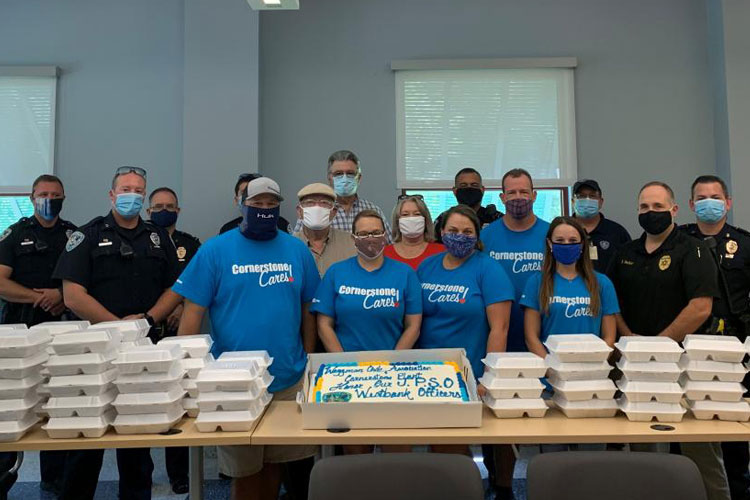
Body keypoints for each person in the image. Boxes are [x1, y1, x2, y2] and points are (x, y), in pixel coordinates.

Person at [174, 177, 319, 500]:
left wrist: (308, 358)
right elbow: (192, 314)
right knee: (244, 473)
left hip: (287, 377)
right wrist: (186, 375)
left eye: (271, 204)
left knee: (276, 464)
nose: (264, 209)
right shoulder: (215, 250)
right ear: (242, 205)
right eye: (256, 204)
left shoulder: (297, 249)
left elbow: (308, 308)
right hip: (233, 383)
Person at [53, 166, 182, 500]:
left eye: (138, 190)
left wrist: (146, 321)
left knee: (137, 440)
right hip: (94, 351)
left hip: (143, 348)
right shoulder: (87, 235)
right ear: (112, 195)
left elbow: (175, 287)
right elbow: (73, 295)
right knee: (85, 442)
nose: (132, 196)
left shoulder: (158, 237)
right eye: (125, 189)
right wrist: (118, 326)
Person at [608, 181, 729, 500]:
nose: (651, 212)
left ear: (674, 210)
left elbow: (701, 307)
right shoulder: (626, 253)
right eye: (645, 207)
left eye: (658, 207)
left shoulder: (694, 249)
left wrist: (659, 345)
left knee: (700, 449)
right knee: (644, 449)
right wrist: (630, 338)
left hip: (685, 365)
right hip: (636, 365)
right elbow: (611, 304)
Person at [312, 209, 422, 455]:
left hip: (395, 375)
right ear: (353, 238)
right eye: (363, 234)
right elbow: (323, 324)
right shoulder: (336, 273)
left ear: (385, 236)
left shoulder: (405, 274)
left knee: (397, 451)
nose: (370, 238)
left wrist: (392, 362)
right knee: (356, 454)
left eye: (375, 232)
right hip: (348, 375)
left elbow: (413, 325)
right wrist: (343, 364)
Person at [0, 174, 75, 495]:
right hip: (20, 330)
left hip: (61, 329)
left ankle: (54, 480)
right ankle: (4, 475)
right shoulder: (15, 234)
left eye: (55, 195)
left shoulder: (74, 235)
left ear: (63, 198)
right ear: (32, 198)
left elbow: (84, 282)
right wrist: (37, 297)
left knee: (58, 401)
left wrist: (61, 296)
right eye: (43, 194)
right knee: (10, 405)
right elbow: (1, 282)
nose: (49, 200)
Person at [417, 205, 513, 456]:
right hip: (429, 372)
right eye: (453, 230)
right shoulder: (427, 267)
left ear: (477, 235)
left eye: (467, 231)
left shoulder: (489, 269)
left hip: (470, 373)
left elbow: (500, 328)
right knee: (439, 443)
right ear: (441, 232)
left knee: (459, 443)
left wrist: (489, 377)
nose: (460, 236)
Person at [478, 167, 548, 499]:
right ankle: (501, 484)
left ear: (534, 195)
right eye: (512, 192)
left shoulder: (550, 234)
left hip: (540, 339)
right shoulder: (487, 236)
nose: (518, 197)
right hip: (496, 338)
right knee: (498, 418)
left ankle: (548, 483)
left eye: (524, 191)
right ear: (501, 196)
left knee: (543, 419)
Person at [679, 175, 750, 500]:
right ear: (691, 204)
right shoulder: (679, 241)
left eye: (716, 197)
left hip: (733, 351)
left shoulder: (744, 243)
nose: (709, 203)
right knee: (686, 429)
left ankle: (737, 491)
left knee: (733, 434)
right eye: (701, 198)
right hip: (688, 347)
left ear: (728, 203)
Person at [145, 186, 200, 495]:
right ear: (148, 211)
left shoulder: (190, 244)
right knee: (141, 401)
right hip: (146, 331)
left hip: (182, 330)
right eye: (158, 206)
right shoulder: (140, 240)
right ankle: (141, 475)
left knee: (178, 401)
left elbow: (201, 282)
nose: (163, 211)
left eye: (169, 206)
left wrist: (181, 309)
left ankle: (179, 473)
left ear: (178, 211)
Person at [522, 216, 618, 356]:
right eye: (560, 240)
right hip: (550, 367)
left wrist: (596, 362)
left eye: (573, 241)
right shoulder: (536, 282)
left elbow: (609, 338)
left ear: (582, 244)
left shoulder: (602, 283)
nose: (566, 245)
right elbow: (531, 338)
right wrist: (551, 366)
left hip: (593, 366)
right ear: (550, 244)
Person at [292, 150, 392, 241]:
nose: (344, 179)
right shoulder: (316, 210)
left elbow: (388, 245)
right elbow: (297, 244)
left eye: (350, 173)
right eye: (338, 174)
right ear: (329, 178)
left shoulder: (373, 210)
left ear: (359, 178)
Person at [292, 182, 356, 277]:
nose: (317, 208)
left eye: (324, 203)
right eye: (310, 202)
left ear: (334, 212)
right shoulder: (289, 245)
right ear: (299, 211)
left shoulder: (351, 243)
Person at [571, 179, 631, 273]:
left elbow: (628, 267)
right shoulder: (563, 232)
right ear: (573, 201)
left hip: (608, 283)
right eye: (581, 196)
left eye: (592, 196)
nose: (587, 200)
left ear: (601, 202)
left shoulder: (617, 232)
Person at [433, 167, 503, 242]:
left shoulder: (496, 219)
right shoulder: (443, 219)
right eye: (463, 186)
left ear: (482, 190)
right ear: (455, 191)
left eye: (474, 185)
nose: (469, 188)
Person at [384, 194, 444, 269]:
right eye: (405, 214)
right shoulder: (384, 254)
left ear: (426, 220)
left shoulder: (442, 252)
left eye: (417, 214)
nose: (411, 218)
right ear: (397, 221)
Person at [220, 173, 291, 234]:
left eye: (270, 203)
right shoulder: (228, 229)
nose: (264, 207)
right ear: (236, 200)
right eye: (244, 193)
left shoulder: (282, 224)